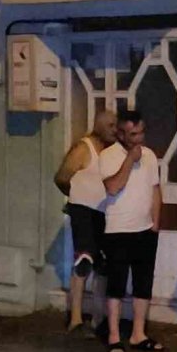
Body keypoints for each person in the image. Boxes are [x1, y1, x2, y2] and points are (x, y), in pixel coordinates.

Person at [99, 110, 165, 352]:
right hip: (117, 229)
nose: (139, 139)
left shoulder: (149, 155)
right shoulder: (108, 156)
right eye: (133, 134)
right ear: (121, 134)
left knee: (143, 283)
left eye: (141, 132)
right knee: (116, 284)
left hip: (145, 229)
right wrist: (129, 160)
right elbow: (113, 187)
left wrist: (156, 224)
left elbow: (155, 189)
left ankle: (139, 334)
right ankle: (114, 335)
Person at [54, 110, 117, 335]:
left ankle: (98, 317)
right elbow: (61, 177)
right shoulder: (83, 148)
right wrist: (76, 198)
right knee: (84, 260)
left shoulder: (112, 152)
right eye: (110, 126)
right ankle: (76, 317)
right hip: (83, 212)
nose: (114, 130)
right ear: (98, 126)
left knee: (103, 264)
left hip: (103, 213)